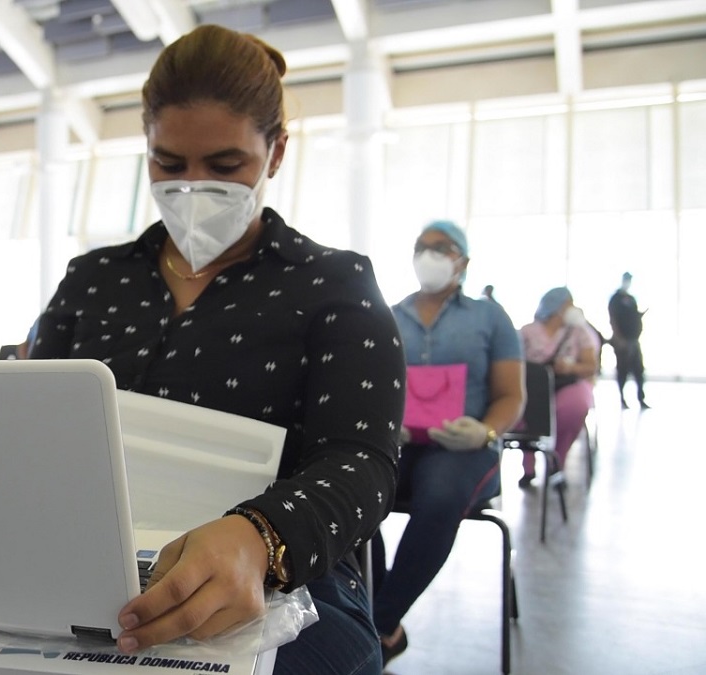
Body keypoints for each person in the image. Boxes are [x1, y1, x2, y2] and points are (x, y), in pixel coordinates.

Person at [30, 25, 405, 674]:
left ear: (277, 152)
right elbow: (29, 420)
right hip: (90, 556)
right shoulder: (94, 279)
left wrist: (260, 535)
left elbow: (363, 461)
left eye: (227, 166)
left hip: (284, 574)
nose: (194, 186)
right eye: (169, 164)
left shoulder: (332, 284)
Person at [374, 220, 524, 666]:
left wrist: (486, 432)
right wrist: (386, 421)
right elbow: (374, 386)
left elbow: (511, 395)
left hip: (464, 449)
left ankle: (377, 624)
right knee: (354, 486)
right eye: (422, 247)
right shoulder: (391, 315)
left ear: (464, 261)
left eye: (442, 248)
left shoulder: (488, 317)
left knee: (439, 495)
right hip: (402, 443)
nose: (429, 255)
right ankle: (380, 618)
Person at [517, 288, 599, 487]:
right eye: (569, 304)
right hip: (533, 387)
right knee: (527, 405)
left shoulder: (580, 333)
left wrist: (571, 367)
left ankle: (557, 461)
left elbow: (591, 366)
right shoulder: (527, 332)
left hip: (568, 384)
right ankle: (528, 466)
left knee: (574, 406)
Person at [608, 272, 648, 409]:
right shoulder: (616, 299)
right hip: (622, 341)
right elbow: (613, 319)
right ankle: (622, 399)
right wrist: (618, 338)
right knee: (623, 370)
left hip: (634, 340)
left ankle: (640, 399)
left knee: (639, 370)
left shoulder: (631, 299)